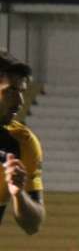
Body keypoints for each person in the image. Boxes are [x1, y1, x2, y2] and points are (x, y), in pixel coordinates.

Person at [0, 51, 45, 235]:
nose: (20, 102)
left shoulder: (23, 143)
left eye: (21, 91)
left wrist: (19, 193)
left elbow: (33, 225)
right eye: (11, 91)